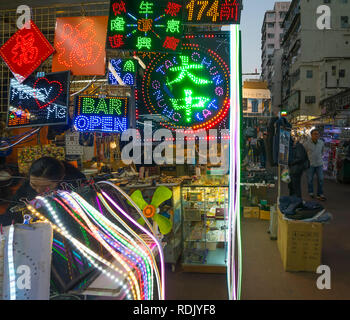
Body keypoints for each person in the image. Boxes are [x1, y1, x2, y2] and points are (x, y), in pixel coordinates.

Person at [0, 157, 86, 226]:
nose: (38, 190)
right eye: (34, 185)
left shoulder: (74, 188)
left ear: (61, 179)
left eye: (46, 187)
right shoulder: (26, 186)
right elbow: (10, 214)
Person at [303, 129, 326, 200]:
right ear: (311, 135)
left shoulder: (321, 142)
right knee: (310, 179)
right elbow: (304, 154)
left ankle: (320, 193)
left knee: (321, 179)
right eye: (315, 134)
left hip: (319, 164)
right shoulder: (306, 144)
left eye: (318, 134)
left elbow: (322, 152)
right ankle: (311, 192)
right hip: (310, 164)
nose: (317, 135)